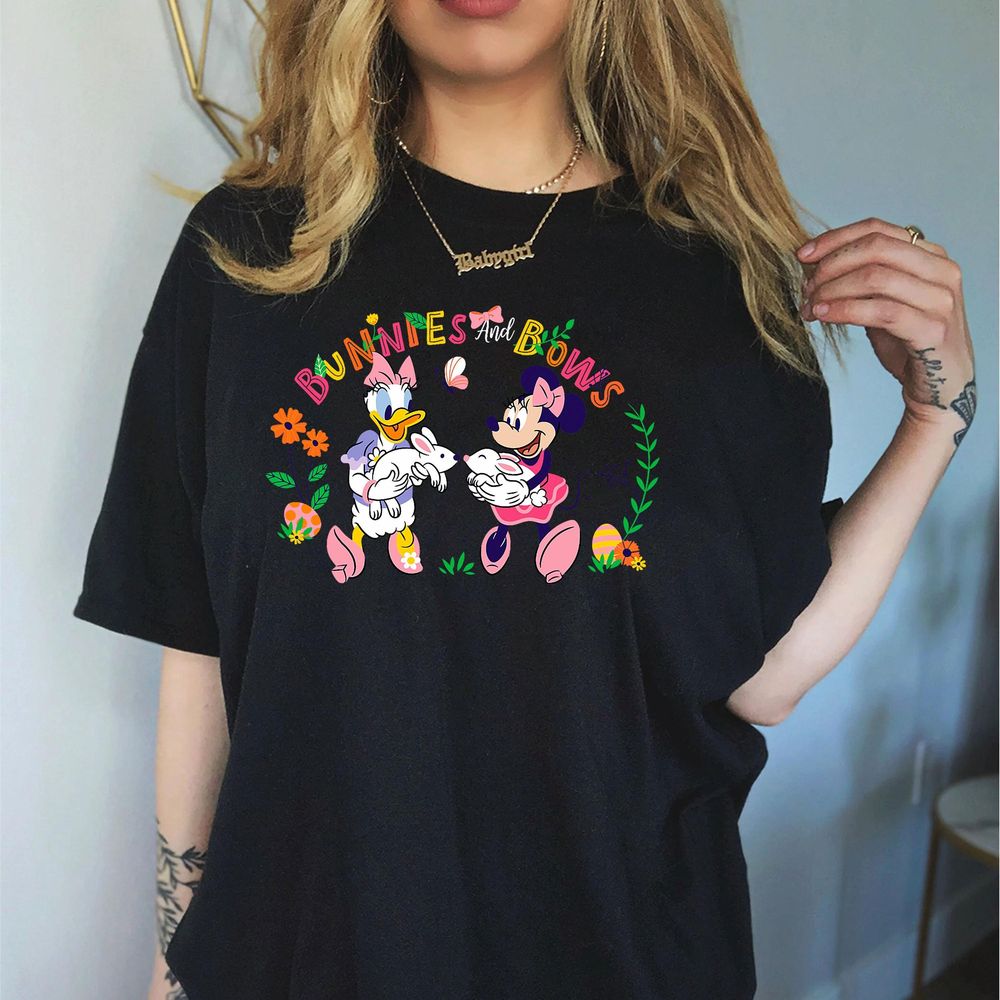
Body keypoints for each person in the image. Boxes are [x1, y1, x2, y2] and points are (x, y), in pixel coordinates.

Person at [71, 1, 977, 998]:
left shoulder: (721, 280)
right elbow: (197, 636)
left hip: (621, 962)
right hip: (303, 962)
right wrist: (173, 963)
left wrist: (934, 418)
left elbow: (760, 678)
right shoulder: (249, 254)